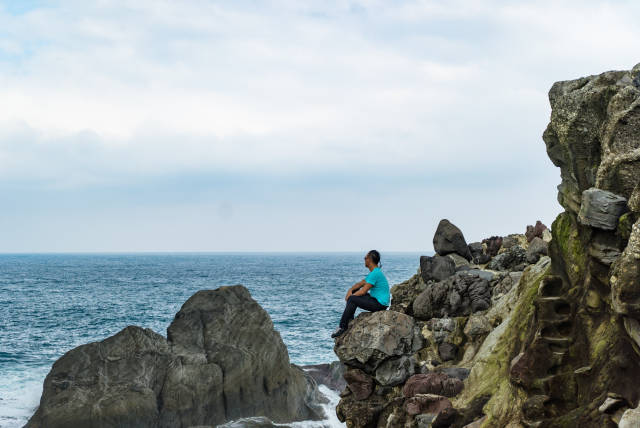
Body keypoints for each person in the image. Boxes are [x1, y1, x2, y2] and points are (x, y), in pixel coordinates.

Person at [331, 250, 390, 338]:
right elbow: (360, 284)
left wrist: (350, 297)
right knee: (354, 293)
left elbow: (363, 291)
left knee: (352, 299)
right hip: (376, 301)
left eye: (365, 258)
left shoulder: (375, 274)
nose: (364, 260)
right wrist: (350, 290)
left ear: (369, 259)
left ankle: (342, 327)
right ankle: (349, 320)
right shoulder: (374, 272)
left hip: (379, 304)